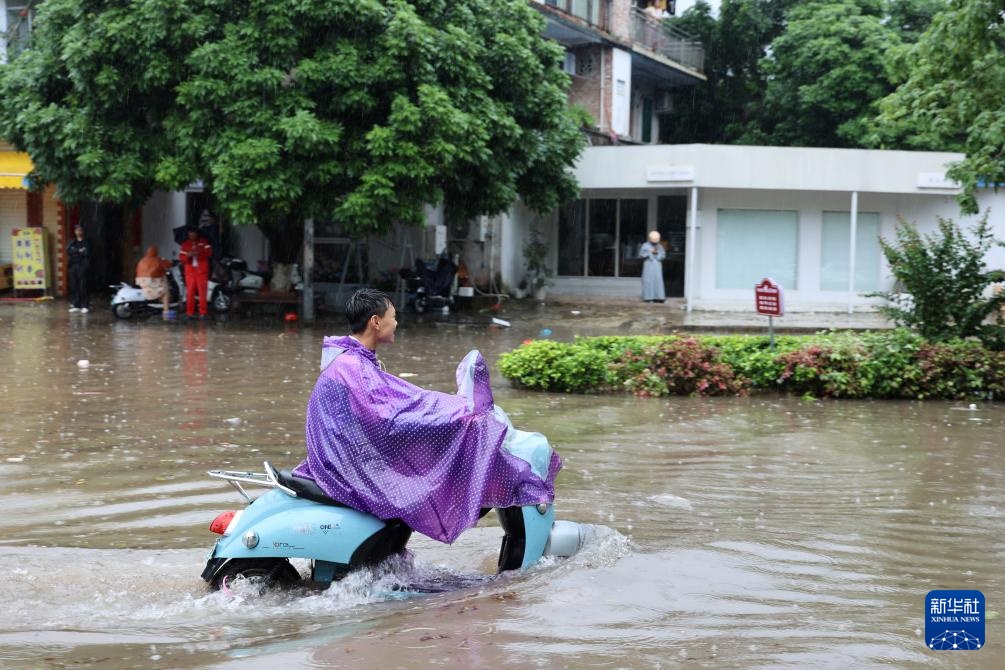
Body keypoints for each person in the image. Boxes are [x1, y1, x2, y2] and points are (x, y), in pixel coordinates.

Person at [292, 288, 562, 544]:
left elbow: (403, 402)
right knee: (430, 483)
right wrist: (456, 416)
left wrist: (452, 410)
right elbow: (389, 418)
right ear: (376, 321)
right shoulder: (352, 367)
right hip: (348, 467)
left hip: (354, 457)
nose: (396, 323)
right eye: (393, 317)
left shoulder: (353, 360)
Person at [178, 227, 212, 319]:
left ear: (197, 234)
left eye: (193, 234)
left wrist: (199, 253)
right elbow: (181, 257)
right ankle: (190, 313)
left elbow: (209, 253)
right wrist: (188, 255)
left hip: (201, 271)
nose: (192, 236)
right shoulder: (185, 244)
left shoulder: (204, 242)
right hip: (190, 271)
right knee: (190, 292)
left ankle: (203, 312)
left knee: (202, 292)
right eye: (190, 234)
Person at [135, 246, 173, 318]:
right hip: (152, 281)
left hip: (141, 282)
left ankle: (158, 301)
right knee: (165, 291)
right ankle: (166, 313)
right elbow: (168, 265)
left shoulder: (142, 260)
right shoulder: (158, 260)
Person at [66, 224, 91, 313]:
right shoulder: (72, 242)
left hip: (82, 266)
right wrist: (78, 251)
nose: (78, 232)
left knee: (83, 285)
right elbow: (69, 251)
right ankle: (76, 304)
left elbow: (86, 253)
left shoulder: (86, 242)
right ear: (75, 232)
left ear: (83, 231)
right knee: (74, 285)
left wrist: (76, 251)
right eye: (77, 230)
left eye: (80, 230)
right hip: (73, 266)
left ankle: (85, 305)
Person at [640, 230, 666, 302]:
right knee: (648, 280)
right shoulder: (645, 245)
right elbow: (641, 254)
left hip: (657, 265)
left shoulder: (660, 246)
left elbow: (663, 255)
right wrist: (649, 252)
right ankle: (648, 297)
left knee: (658, 280)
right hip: (648, 264)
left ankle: (659, 297)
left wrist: (657, 253)